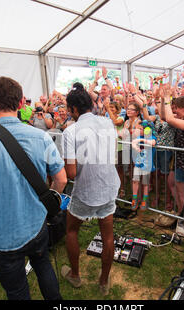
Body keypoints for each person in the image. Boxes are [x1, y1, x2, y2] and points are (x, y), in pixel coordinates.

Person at [0, 76, 66, 300]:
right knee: (44, 265)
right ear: (21, 102)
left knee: (16, 290)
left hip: (0, 234)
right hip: (36, 224)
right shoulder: (41, 138)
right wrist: (49, 200)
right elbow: (61, 179)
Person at [61, 82, 120, 296]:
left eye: (69, 109)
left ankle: (75, 276)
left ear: (74, 109)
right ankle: (103, 281)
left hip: (86, 190)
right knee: (108, 236)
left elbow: (71, 173)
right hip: (107, 186)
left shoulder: (71, 131)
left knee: (71, 230)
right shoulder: (107, 123)